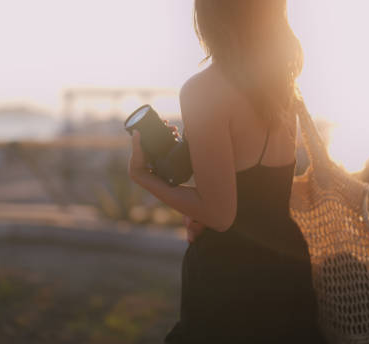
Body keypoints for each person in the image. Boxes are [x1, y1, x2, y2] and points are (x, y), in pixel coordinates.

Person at [127, 1, 326, 342]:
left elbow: (220, 215)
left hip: (230, 277)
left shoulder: (204, 89)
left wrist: (142, 176)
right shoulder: (281, 85)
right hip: (287, 265)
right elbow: (267, 190)